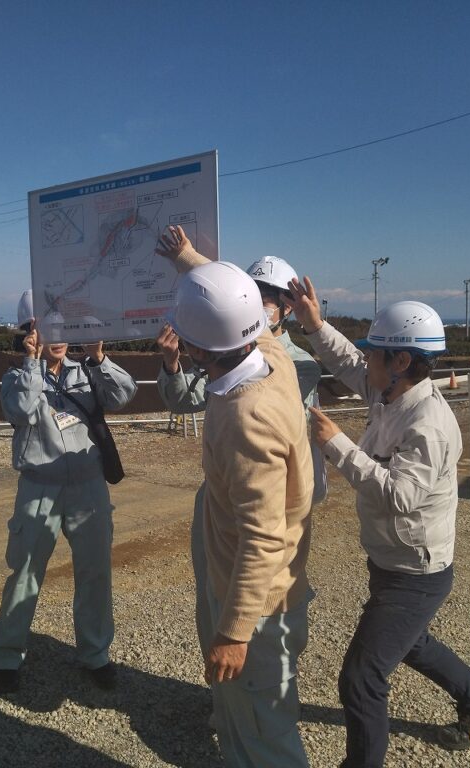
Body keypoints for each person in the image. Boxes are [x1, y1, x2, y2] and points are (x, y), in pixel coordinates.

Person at [288, 276, 470, 766]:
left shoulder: (428, 424)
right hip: (394, 562)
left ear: (401, 361)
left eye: (375, 353)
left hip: (416, 574)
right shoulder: (389, 393)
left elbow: (400, 496)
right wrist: (315, 326)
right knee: (411, 642)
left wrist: (336, 444)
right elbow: (348, 362)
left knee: (361, 678)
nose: (366, 359)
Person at [155, 226, 314, 767]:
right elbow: (229, 300)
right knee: (242, 719)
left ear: (199, 348)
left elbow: (264, 538)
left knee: (266, 737)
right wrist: (186, 257)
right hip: (246, 584)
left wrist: (235, 632)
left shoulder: (247, 416)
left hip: (259, 606)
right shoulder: (269, 354)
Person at [0, 289, 137, 693]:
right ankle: (7, 656)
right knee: (25, 573)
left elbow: (123, 395)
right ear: (28, 333)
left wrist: (99, 357)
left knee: (95, 573)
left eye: (65, 327)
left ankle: (95, 653)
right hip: (39, 487)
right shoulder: (17, 377)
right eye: (48, 329)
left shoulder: (85, 371)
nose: (58, 337)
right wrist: (32, 364)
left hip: (89, 487)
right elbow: (20, 410)